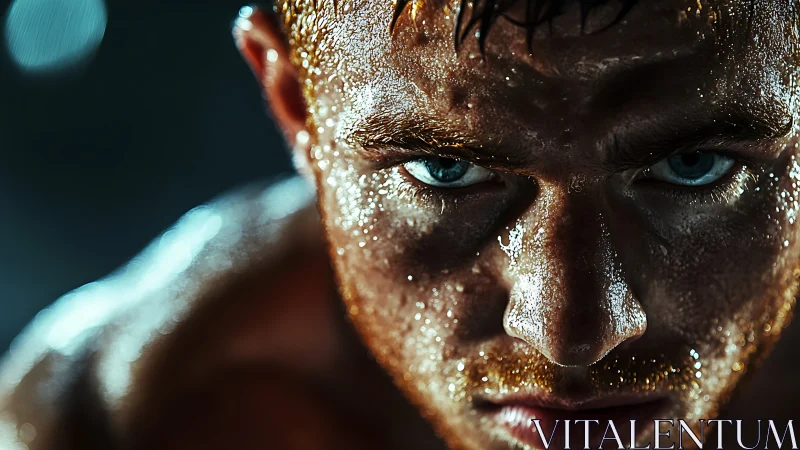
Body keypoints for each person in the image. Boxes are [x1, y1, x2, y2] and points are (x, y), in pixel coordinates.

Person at [2, 0, 800, 448]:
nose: (569, 333)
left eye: (694, 165)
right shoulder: (140, 423)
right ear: (294, 105)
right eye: (446, 172)